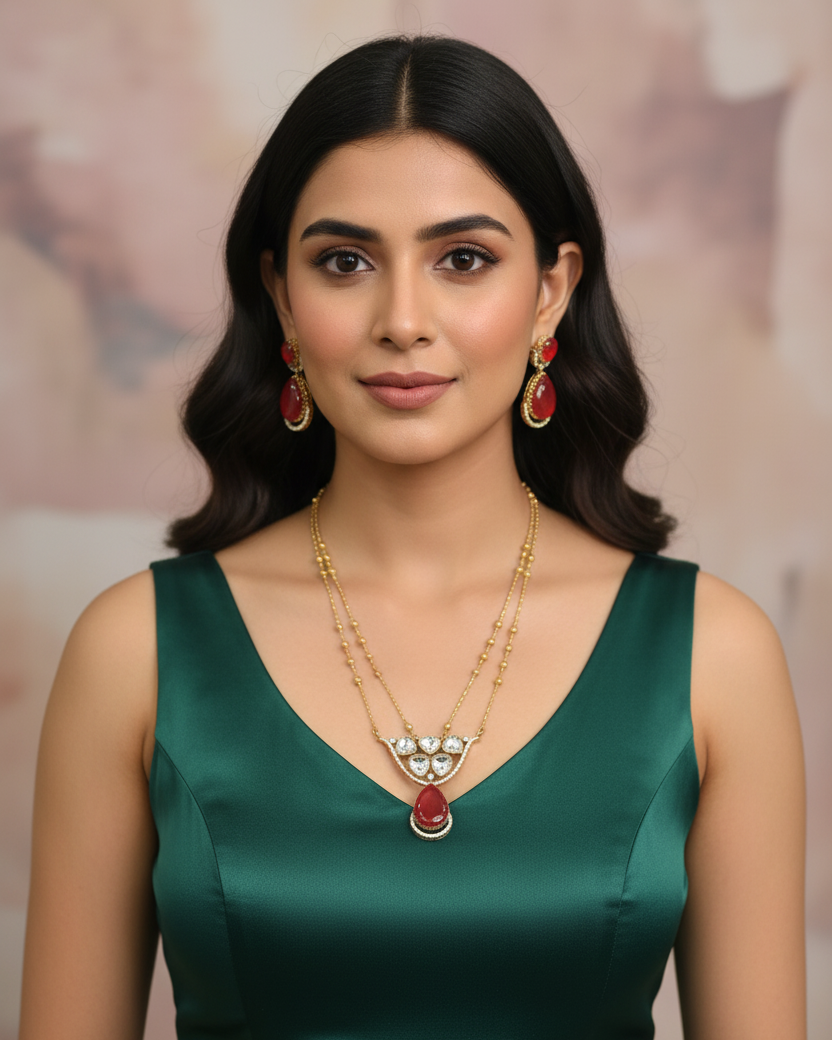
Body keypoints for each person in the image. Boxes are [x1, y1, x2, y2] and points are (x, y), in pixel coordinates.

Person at [19, 34, 805, 1041]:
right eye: (344, 262)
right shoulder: (135, 650)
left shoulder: (711, 655)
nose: (401, 318)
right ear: (281, 299)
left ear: (551, 291)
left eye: (462, 259)